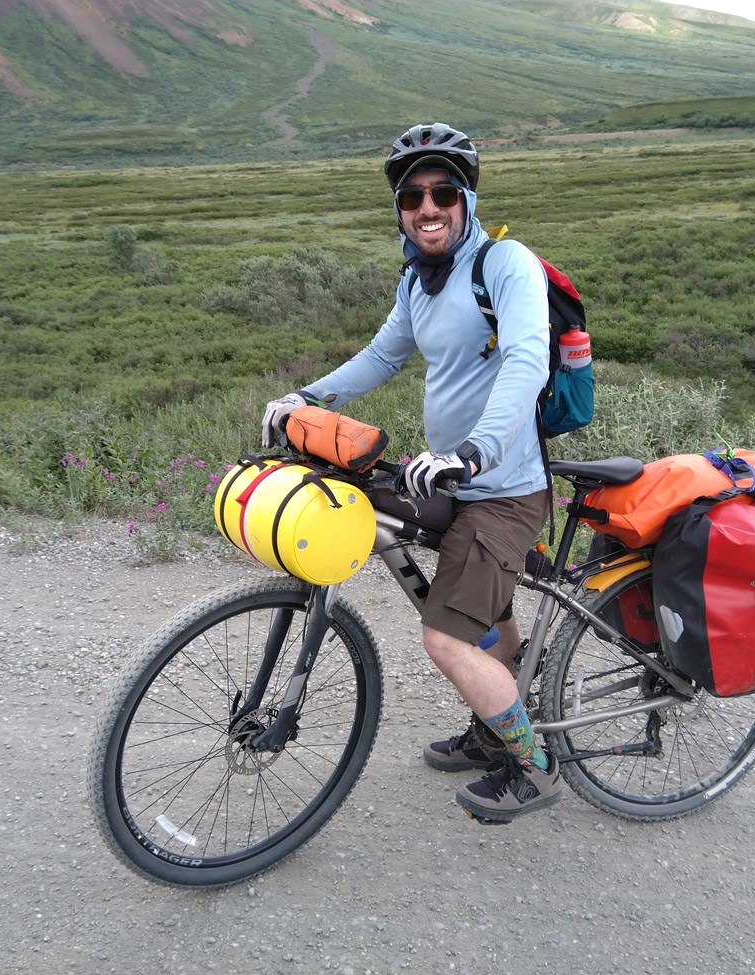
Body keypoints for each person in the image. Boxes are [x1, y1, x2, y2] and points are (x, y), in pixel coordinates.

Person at [261, 122, 559, 821]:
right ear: (400, 207)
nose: (428, 207)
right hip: (452, 481)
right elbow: (381, 356)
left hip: (503, 488)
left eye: (443, 191)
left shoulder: (505, 263)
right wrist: (305, 398)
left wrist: (478, 449)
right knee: (486, 610)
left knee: (447, 634)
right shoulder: (419, 282)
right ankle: (495, 725)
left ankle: (534, 764)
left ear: (467, 198)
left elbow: (525, 360)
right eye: (413, 195)